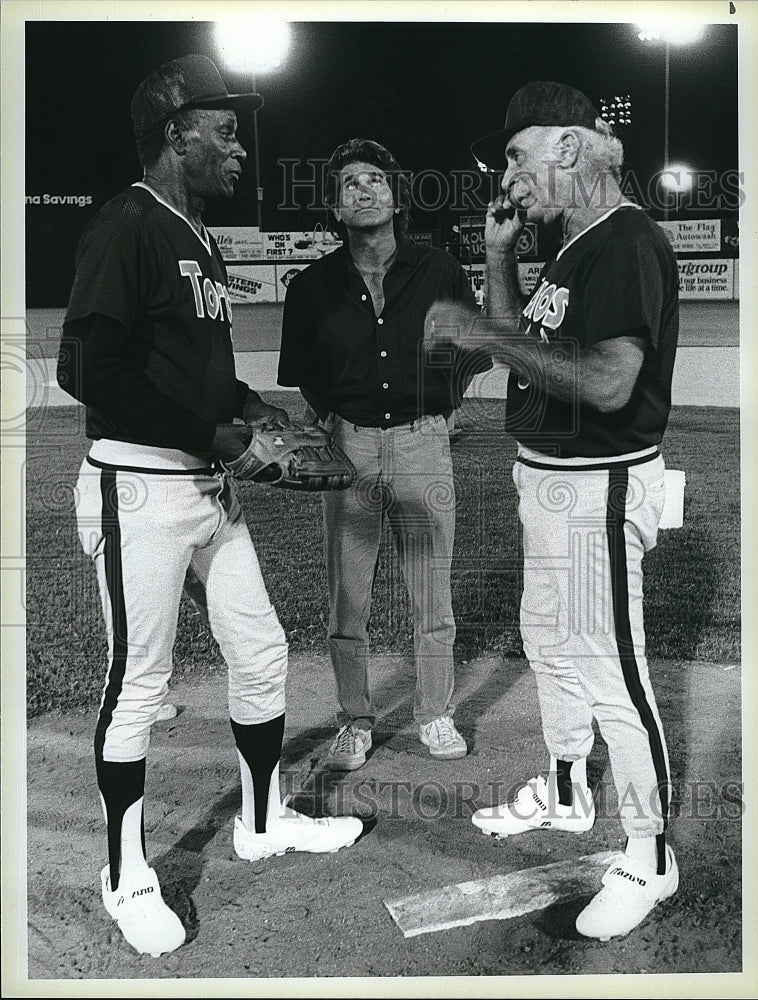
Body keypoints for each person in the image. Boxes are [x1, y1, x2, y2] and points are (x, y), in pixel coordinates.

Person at [56, 54, 362, 959]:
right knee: (136, 686)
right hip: (138, 486)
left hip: (204, 487)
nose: (239, 147)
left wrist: (251, 409)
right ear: (175, 133)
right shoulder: (128, 224)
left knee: (261, 650)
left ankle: (261, 820)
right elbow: (88, 366)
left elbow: (196, 370)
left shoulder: (195, 234)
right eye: (224, 129)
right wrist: (216, 432)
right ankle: (126, 875)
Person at [426, 81, 679, 941]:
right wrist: (500, 261)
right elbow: (526, 354)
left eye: (514, 155)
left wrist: (479, 333)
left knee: (613, 673)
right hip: (549, 485)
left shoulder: (624, 240)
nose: (506, 175)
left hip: (598, 489)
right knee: (550, 646)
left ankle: (648, 857)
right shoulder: (571, 247)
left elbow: (607, 383)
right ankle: (569, 796)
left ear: (568, 148)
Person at [278, 138, 488, 769]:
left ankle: (436, 713)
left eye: (375, 179)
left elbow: (468, 347)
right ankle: (355, 718)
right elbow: (304, 373)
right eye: (349, 184)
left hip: (424, 441)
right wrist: (335, 422)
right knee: (350, 597)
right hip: (350, 446)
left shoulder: (439, 269)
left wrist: (444, 413)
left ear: (396, 198)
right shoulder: (312, 285)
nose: (364, 190)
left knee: (432, 591)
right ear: (335, 210)